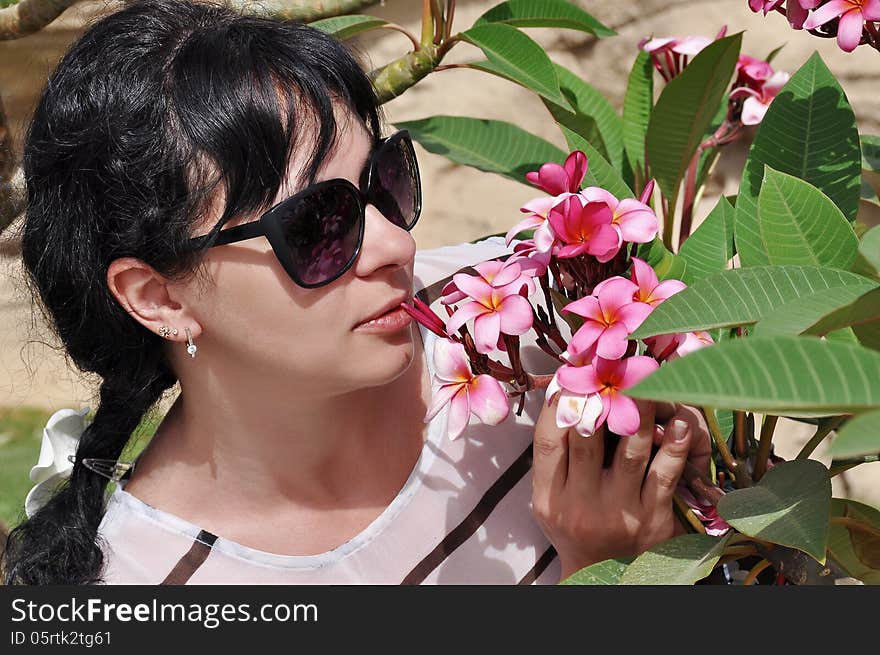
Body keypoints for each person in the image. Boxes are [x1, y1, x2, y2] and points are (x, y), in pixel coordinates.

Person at [2, 0, 709, 585]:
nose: (398, 246)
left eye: (387, 183)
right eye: (318, 224)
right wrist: (614, 573)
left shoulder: (535, 320)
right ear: (158, 297)